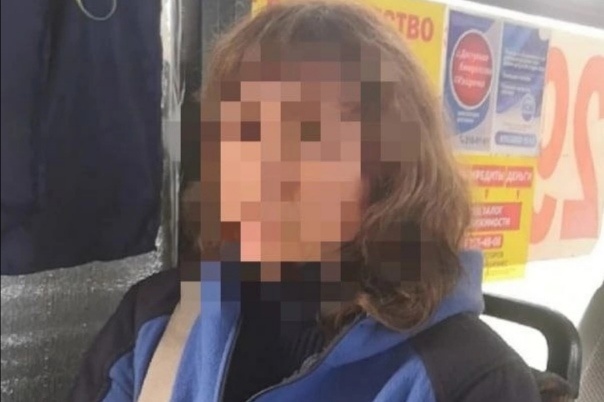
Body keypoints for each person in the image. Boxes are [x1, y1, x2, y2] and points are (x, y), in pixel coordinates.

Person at [70, 1, 542, 401]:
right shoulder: (156, 320)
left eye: (303, 134)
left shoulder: (470, 380)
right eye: (240, 133)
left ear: (391, 166)